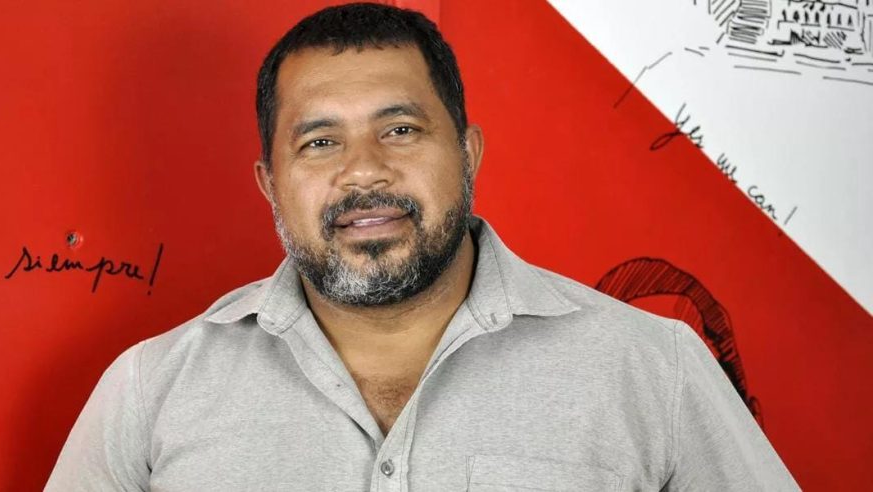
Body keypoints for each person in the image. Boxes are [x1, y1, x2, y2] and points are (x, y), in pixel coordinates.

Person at [45, 3, 799, 490]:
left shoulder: (654, 370)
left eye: (400, 129)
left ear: (467, 154)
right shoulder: (151, 392)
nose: (364, 170)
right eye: (319, 141)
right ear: (270, 183)